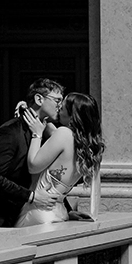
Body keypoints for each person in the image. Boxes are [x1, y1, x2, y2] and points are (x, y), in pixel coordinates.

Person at [0, 78, 64, 226]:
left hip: (33, 215)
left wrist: (66, 209)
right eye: (57, 100)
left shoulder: (47, 133)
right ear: (39, 99)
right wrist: (31, 196)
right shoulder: (10, 131)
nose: (60, 106)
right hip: (4, 219)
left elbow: (47, 179)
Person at [14, 92, 104, 227]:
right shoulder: (87, 145)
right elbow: (48, 127)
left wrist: (36, 135)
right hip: (60, 212)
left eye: (63, 105)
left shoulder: (63, 134)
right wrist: (29, 110)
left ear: (72, 115)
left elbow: (33, 166)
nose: (59, 106)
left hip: (40, 211)